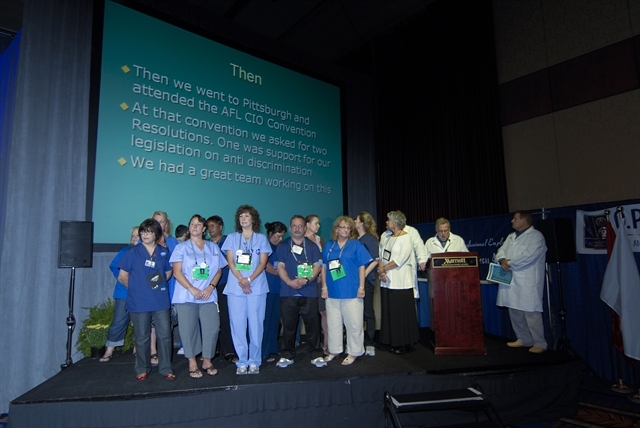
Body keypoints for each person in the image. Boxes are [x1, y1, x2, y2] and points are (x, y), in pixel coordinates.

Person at [170, 214, 227, 378]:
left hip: (208, 295)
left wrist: (210, 287)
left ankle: (207, 360)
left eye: (198, 224)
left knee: (213, 327)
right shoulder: (181, 248)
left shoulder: (213, 247)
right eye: (192, 224)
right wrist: (192, 288)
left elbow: (219, 270)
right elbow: (177, 272)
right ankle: (192, 362)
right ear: (189, 228)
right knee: (188, 330)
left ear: (204, 229)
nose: (195, 227)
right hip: (186, 295)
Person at [117, 218, 175, 380]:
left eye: (149, 231)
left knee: (165, 335)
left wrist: (158, 283)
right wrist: (137, 288)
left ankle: (166, 368)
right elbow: (122, 276)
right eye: (143, 231)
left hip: (159, 300)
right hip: (139, 301)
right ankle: (142, 368)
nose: (145, 234)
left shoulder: (164, 252)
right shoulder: (133, 252)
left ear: (157, 233)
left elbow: (168, 272)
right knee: (142, 336)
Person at [221, 205, 271, 375]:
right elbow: (230, 262)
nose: (243, 219)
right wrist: (241, 279)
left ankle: (255, 361)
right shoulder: (232, 238)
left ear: (253, 219)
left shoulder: (261, 239)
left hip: (257, 287)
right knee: (237, 324)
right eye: (241, 216)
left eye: (247, 216)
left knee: (256, 325)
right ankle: (242, 361)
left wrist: (249, 279)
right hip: (236, 287)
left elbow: (263, 263)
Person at [322, 216, 373, 365]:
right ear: (336, 229)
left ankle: (353, 352)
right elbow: (324, 267)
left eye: (348, 228)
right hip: (332, 292)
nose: (345, 230)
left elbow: (362, 266)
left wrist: (361, 287)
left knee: (354, 325)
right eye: (342, 227)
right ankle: (334, 350)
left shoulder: (355, 244)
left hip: (351, 291)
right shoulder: (329, 245)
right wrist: (324, 287)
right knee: (333, 324)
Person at [276, 215, 325, 369]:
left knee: (312, 326)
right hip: (288, 291)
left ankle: (316, 354)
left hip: (309, 291)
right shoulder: (283, 246)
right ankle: (287, 355)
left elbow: (317, 266)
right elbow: (280, 267)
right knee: (288, 326)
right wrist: (290, 282)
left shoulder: (312, 246)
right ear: (290, 228)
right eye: (294, 226)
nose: (297, 229)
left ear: (305, 228)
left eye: (300, 226)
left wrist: (307, 280)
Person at [495, 210, 548, 353]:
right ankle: (524, 339)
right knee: (514, 310)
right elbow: (501, 250)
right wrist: (502, 260)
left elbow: (529, 256)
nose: (512, 221)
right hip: (510, 279)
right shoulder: (511, 236)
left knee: (531, 313)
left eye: (515, 218)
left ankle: (540, 343)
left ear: (524, 221)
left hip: (527, 281)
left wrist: (509, 263)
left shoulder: (536, 236)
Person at [378, 210, 420, 355]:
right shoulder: (387, 237)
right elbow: (381, 255)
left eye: (388, 220)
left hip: (401, 282)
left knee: (400, 314)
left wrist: (383, 268)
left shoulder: (406, 238)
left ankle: (402, 343)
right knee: (390, 312)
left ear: (395, 223)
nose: (386, 222)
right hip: (387, 281)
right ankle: (391, 340)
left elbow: (400, 259)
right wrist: (382, 271)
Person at [99, 226, 139, 362]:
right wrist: (123, 280)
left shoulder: (148, 252)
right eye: (133, 236)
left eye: (138, 235)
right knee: (118, 321)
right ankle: (109, 350)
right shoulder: (125, 251)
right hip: (123, 293)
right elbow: (114, 266)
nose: (135, 238)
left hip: (141, 295)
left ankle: (138, 348)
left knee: (141, 323)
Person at [207, 215, 238, 364]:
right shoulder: (205, 243)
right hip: (208, 286)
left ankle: (229, 349)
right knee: (211, 319)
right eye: (208, 226)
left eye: (213, 225)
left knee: (226, 317)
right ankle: (213, 349)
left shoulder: (228, 241)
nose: (211, 229)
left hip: (224, 284)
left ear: (221, 227)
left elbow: (233, 262)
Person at [150, 211, 179, 365]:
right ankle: (152, 351)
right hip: (150, 288)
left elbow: (178, 265)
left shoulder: (173, 242)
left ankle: (165, 353)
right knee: (152, 322)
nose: (159, 224)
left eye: (162, 221)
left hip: (170, 287)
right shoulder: (145, 240)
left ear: (166, 224)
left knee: (167, 323)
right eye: (156, 220)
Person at [353, 212, 380, 357]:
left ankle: (370, 343)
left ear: (362, 223)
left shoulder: (369, 239)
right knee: (356, 313)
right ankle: (357, 342)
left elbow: (375, 260)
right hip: (355, 282)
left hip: (367, 281)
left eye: (356, 219)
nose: (354, 221)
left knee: (368, 312)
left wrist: (363, 274)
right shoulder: (355, 239)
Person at [262, 221, 287, 362]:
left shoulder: (281, 248)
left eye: (282, 236)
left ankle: (273, 348)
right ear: (270, 233)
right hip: (267, 288)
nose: (280, 239)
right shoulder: (265, 246)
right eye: (278, 236)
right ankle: (264, 351)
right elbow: (265, 265)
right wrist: (282, 273)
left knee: (275, 320)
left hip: (279, 289)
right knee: (265, 320)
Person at [305, 214, 328, 354]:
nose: (318, 226)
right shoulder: (301, 239)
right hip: (306, 281)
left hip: (321, 280)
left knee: (324, 312)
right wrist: (312, 275)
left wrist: (320, 275)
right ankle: (312, 344)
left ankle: (326, 343)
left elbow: (323, 261)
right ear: (307, 225)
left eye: (319, 223)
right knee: (310, 314)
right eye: (316, 223)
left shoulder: (320, 240)